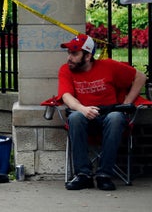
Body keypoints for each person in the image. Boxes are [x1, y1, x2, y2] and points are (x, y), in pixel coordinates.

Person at [57, 34, 147, 191]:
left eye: (74, 53)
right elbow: (66, 96)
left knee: (116, 117)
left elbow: (140, 77)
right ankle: (83, 175)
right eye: (69, 53)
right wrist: (83, 109)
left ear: (88, 56)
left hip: (109, 115)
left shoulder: (109, 66)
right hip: (84, 115)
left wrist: (127, 102)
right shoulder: (66, 70)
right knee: (75, 117)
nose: (69, 58)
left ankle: (104, 175)